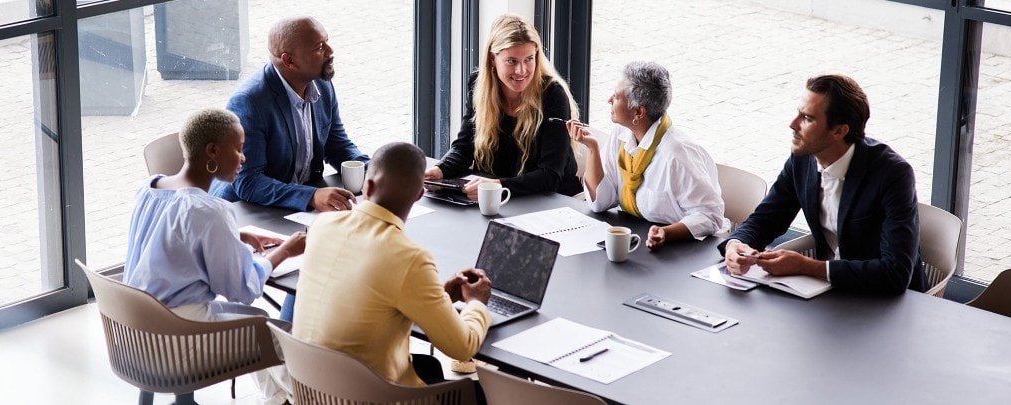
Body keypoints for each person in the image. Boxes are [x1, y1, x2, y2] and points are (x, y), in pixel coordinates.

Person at [123, 108, 304, 404]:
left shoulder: (149, 187)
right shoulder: (210, 211)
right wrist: (285, 251)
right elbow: (243, 289)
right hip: (177, 340)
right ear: (212, 151)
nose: (243, 158)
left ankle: (279, 400)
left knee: (259, 324)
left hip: (137, 332)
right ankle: (308, 397)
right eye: (239, 149)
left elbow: (168, 238)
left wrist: (235, 236)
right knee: (276, 336)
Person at [293, 142, 492, 386]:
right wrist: (477, 303)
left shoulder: (322, 226)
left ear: (367, 186)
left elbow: (374, 300)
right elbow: (463, 347)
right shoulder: (409, 258)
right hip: (371, 396)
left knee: (429, 367)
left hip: (312, 389)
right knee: (479, 391)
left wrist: (438, 296)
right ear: (419, 195)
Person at [720, 74, 927, 295]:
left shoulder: (892, 174)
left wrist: (806, 266)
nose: (792, 124)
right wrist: (736, 244)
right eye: (797, 113)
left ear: (839, 131)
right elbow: (766, 219)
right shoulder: (802, 160)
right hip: (823, 293)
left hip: (882, 301)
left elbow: (895, 273)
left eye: (807, 118)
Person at [211, 16, 368, 213]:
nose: (330, 51)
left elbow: (337, 146)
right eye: (319, 47)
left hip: (296, 208)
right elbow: (248, 181)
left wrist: (379, 172)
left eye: (327, 41)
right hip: (246, 211)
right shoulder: (249, 102)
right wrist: (310, 196)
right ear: (289, 60)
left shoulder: (322, 84)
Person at [567, 61, 730, 250]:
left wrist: (666, 233)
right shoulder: (620, 136)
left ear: (638, 112)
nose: (609, 100)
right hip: (637, 240)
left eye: (617, 97)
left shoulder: (678, 155)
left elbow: (711, 215)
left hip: (677, 249)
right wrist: (593, 149)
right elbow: (600, 203)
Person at [425, 14, 583, 200]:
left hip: (550, 201)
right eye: (512, 61)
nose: (521, 71)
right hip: (498, 197)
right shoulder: (479, 86)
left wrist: (498, 186)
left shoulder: (552, 95)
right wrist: (440, 170)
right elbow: (465, 147)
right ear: (493, 59)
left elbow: (550, 175)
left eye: (529, 59)